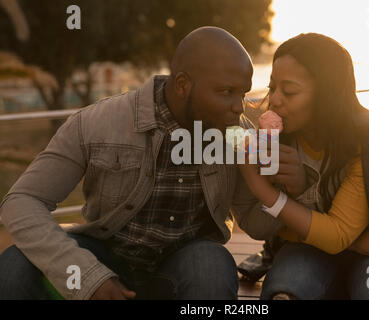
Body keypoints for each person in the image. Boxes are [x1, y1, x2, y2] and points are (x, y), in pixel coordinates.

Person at [0, 26, 282, 300]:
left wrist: (279, 183)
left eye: (243, 93)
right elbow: (21, 201)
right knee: (14, 266)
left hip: (184, 267)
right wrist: (87, 276)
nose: (239, 107)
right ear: (183, 85)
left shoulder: (239, 134)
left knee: (211, 263)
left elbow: (256, 224)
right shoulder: (98, 122)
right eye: (226, 92)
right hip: (106, 257)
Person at [237, 33, 369, 300]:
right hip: (314, 247)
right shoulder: (277, 136)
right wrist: (354, 241)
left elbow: (337, 234)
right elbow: (266, 226)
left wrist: (265, 191)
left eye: (289, 91)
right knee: (287, 291)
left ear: (327, 93)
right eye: (272, 87)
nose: (276, 99)